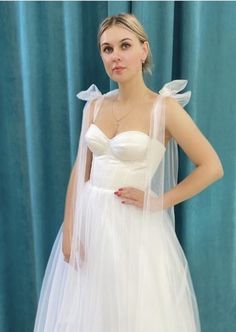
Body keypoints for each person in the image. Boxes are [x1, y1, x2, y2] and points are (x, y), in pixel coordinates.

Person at [34, 13, 224, 332]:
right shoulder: (94, 106)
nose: (116, 56)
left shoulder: (164, 109)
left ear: (143, 50)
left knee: (136, 317)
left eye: (125, 45)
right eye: (107, 49)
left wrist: (160, 201)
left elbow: (212, 166)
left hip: (135, 232)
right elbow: (81, 170)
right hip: (90, 226)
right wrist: (70, 231)